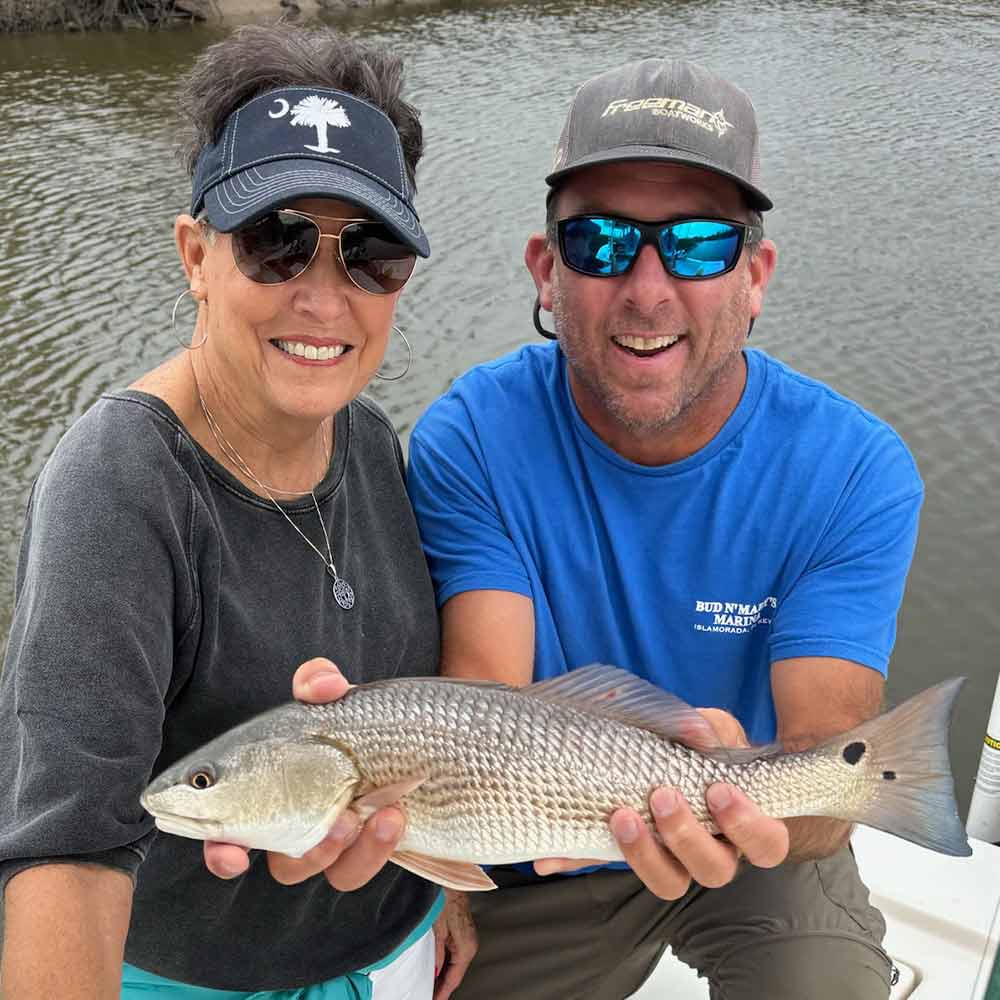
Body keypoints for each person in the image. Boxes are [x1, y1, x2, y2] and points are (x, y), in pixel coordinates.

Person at [404, 59, 922, 999]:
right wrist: (447, 870)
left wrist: (750, 808)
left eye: (695, 244)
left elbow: (833, 767)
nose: (647, 288)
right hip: (541, 847)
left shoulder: (855, 469)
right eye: (600, 242)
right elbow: (479, 696)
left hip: (760, 843)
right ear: (547, 270)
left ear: (754, 277)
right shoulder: (470, 438)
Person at [0, 25, 475, 1000]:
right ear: (195, 254)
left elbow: (408, 740)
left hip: (393, 945)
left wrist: (444, 889)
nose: (324, 297)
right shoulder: (119, 486)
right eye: (276, 242)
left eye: (371, 252)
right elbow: (68, 854)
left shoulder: (375, 442)